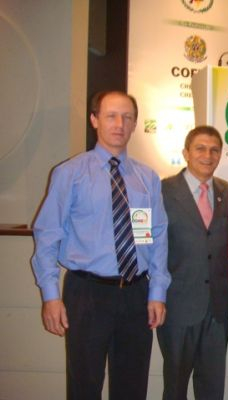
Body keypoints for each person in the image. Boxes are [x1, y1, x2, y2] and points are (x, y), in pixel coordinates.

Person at [31, 90, 170, 400]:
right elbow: (47, 235)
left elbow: (157, 236)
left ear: (135, 124)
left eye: (127, 117)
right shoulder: (70, 173)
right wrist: (50, 296)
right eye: (111, 116)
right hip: (87, 294)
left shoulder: (147, 178)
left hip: (136, 294)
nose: (119, 124)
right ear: (94, 120)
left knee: (132, 388)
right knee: (84, 386)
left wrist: (157, 292)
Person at [157, 125, 228, 400]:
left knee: (212, 389)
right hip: (178, 307)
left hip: (218, 309)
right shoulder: (162, 191)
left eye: (214, 150)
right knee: (175, 388)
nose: (207, 155)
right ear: (186, 153)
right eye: (200, 148)